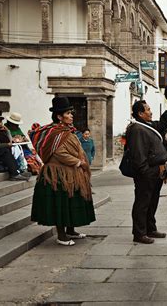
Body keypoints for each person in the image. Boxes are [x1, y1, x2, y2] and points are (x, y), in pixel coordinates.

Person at [30, 97, 95, 246]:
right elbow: (59, 153)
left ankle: (71, 230)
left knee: (72, 201)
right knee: (61, 203)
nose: (71, 115)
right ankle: (61, 235)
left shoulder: (68, 131)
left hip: (72, 173)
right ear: (59, 116)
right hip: (57, 174)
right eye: (68, 113)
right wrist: (79, 162)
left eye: (71, 113)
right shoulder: (54, 133)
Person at [127, 99, 167, 244]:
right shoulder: (137, 129)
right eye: (147, 109)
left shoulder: (147, 126)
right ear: (140, 113)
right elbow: (138, 154)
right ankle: (139, 233)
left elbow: (160, 125)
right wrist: (145, 172)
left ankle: (150, 228)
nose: (151, 111)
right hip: (146, 173)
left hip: (156, 171)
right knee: (142, 203)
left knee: (152, 201)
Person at [0, 111, 30, 181]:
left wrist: (7, 131)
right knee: (5, 151)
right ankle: (15, 174)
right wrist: (6, 145)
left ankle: (17, 171)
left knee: (6, 150)